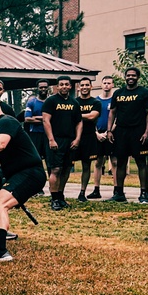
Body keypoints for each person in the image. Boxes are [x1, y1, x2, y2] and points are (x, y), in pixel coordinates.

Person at [0, 94, 46, 262]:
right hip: (13, 174)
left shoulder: (6, 121)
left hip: (30, 173)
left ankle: (0, 250)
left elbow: (0, 144)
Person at [105, 68, 148, 203]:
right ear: (125, 77)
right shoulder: (118, 93)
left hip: (138, 131)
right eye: (128, 75)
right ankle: (119, 193)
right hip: (121, 131)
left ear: (138, 77)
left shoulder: (145, 93)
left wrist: (147, 131)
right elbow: (112, 112)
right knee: (120, 162)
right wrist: (109, 130)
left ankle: (144, 192)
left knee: (141, 162)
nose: (130, 77)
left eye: (133, 75)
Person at [41, 75, 83, 210]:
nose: (64, 86)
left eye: (67, 84)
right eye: (61, 84)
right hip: (56, 140)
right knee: (56, 169)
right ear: (57, 87)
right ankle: (54, 200)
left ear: (70, 86)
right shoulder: (51, 101)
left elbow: (79, 122)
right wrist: (51, 139)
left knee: (65, 170)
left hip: (69, 140)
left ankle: (60, 196)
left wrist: (77, 139)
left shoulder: (74, 103)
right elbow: (45, 120)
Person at [88, 75, 116, 198]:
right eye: (104, 83)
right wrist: (97, 134)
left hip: (111, 134)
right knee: (98, 162)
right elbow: (91, 120)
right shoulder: (96, 101)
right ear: (101, 84)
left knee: (114, 161)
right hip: (97, 133)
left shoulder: (115, 100)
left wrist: (109, 131)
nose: (106, 85)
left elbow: (117, 118)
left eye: (109, 83)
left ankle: (117, 189)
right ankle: (96, 189)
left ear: (112, 85)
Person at [74, 78, 101, 202]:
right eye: (82, 85)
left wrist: (73, 115)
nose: (84, 87)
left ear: (91, 87)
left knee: (86, 165)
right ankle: (59, 192)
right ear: (78, 87)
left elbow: (92, 116)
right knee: (66, 164)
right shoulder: (74, 102)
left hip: (89, 137)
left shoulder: (96, 102)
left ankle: (82, 192)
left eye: (87, 85)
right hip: (73, 136)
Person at [23, 80, 50, 173]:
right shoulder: (32, 102)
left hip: (49, 135)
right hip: (35, 134)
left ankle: (53, 186)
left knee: (50, 162)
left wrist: (36, 117)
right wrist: (46, 119)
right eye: (41, 87)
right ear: (37, 89)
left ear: (48, 88)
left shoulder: (52, 101)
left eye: (45, 87)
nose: (43, 89)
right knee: (37, 160)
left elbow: (55, 119)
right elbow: (27, 119)